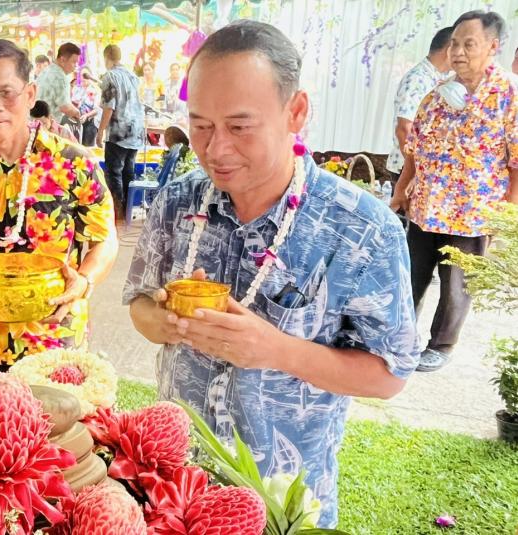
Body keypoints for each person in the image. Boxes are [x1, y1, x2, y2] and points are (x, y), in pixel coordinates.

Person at [125, 21, 419, 528]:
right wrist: (167, 319)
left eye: (240, 127)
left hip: (279, 501)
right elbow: (139, 304)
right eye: (200, 125)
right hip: (173, 485)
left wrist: (274, 350)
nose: (215, 149)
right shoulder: (177, 201)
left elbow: (389, 375)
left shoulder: (360, 229)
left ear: (296, 112)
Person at [0, 39, 118, 367]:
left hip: (54, 336)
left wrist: (85, 280)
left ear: (30, 94)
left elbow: (105, 240)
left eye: (7, 93)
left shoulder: (74, 162)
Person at [391, 11, 517, 373]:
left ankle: (441, 345)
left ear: (492, 46)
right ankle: (398, 337)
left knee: (456, 286)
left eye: (468, 44)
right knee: (410, 274)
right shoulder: (439, 94)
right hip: (426, 205)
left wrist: (508, 215)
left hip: (472, 212)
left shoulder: (509, 95)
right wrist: (401, 188)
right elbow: (415, 148)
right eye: (454, 44)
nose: (458, 52)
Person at [385, 27, 452, 179]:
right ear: (449, 50)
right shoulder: (418, 79)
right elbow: (403, 129)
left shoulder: (440, 79)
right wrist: (415, 172)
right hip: (410, 171)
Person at [97, 44, 145, 221]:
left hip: (118, 132)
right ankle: (127, 212)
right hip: (135, 131)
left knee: (113, 172)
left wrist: (100, 131)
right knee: (128, 172)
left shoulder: (110, 76)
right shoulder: (133, 76)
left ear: (106, 58)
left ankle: (117, 214)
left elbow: (109, 107)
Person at [35, 43, 82, 125]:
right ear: (63, 60)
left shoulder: (46, 70)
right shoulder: (61, 78)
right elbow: (66, 107)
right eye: (74, 62)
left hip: (34, 123)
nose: (75, 66)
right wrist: (77, 113)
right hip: (46, 126)